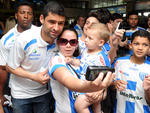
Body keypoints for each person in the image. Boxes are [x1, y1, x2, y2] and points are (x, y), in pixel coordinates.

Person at [6, 1, 65, 113]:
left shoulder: (60, 41)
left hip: (44, 94)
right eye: (52, 22)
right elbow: (10, 67)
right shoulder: (25, 39)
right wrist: (34, 77)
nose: (56, 28)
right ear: (42, 19)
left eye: (61, 23)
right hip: (21, 95)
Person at [48, 27, 115, 113]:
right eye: (63, 41)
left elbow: (104, 81)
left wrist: (100, 91)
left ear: (76, 45)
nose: (68, 45)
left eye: (73, 42)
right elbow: (68, 81)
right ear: (58, 42)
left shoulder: (81, 59)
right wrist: (94, 88)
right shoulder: (56, 60)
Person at [0, 1, 35, 107]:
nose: (26, 16)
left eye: (29, 13)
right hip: (17, 92)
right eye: (22, 12)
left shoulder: (40, 33)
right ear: (16, 15)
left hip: (41, 90)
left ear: (33, 16)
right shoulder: (6, 39)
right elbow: (2, 68)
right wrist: (0, 94)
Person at [73, 23, 111, 113]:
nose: (86, 40)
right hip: (85, 85)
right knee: (96, 107)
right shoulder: (85, 51)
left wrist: (100, 91)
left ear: (101, 42)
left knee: (79, 105)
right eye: (86, 37)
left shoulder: (102, 57)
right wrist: (72, 61)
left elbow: (108, 74)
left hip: (95, 89)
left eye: (90, 38)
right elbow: (81, 63)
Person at [113, 30, 150, 113]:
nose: (140, 48)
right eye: (136, 44)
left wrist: (148, 90)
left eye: (145, 45)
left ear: (149, 48)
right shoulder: (119, 62)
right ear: (130, 45)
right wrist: (114, 84)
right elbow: (110, 86)